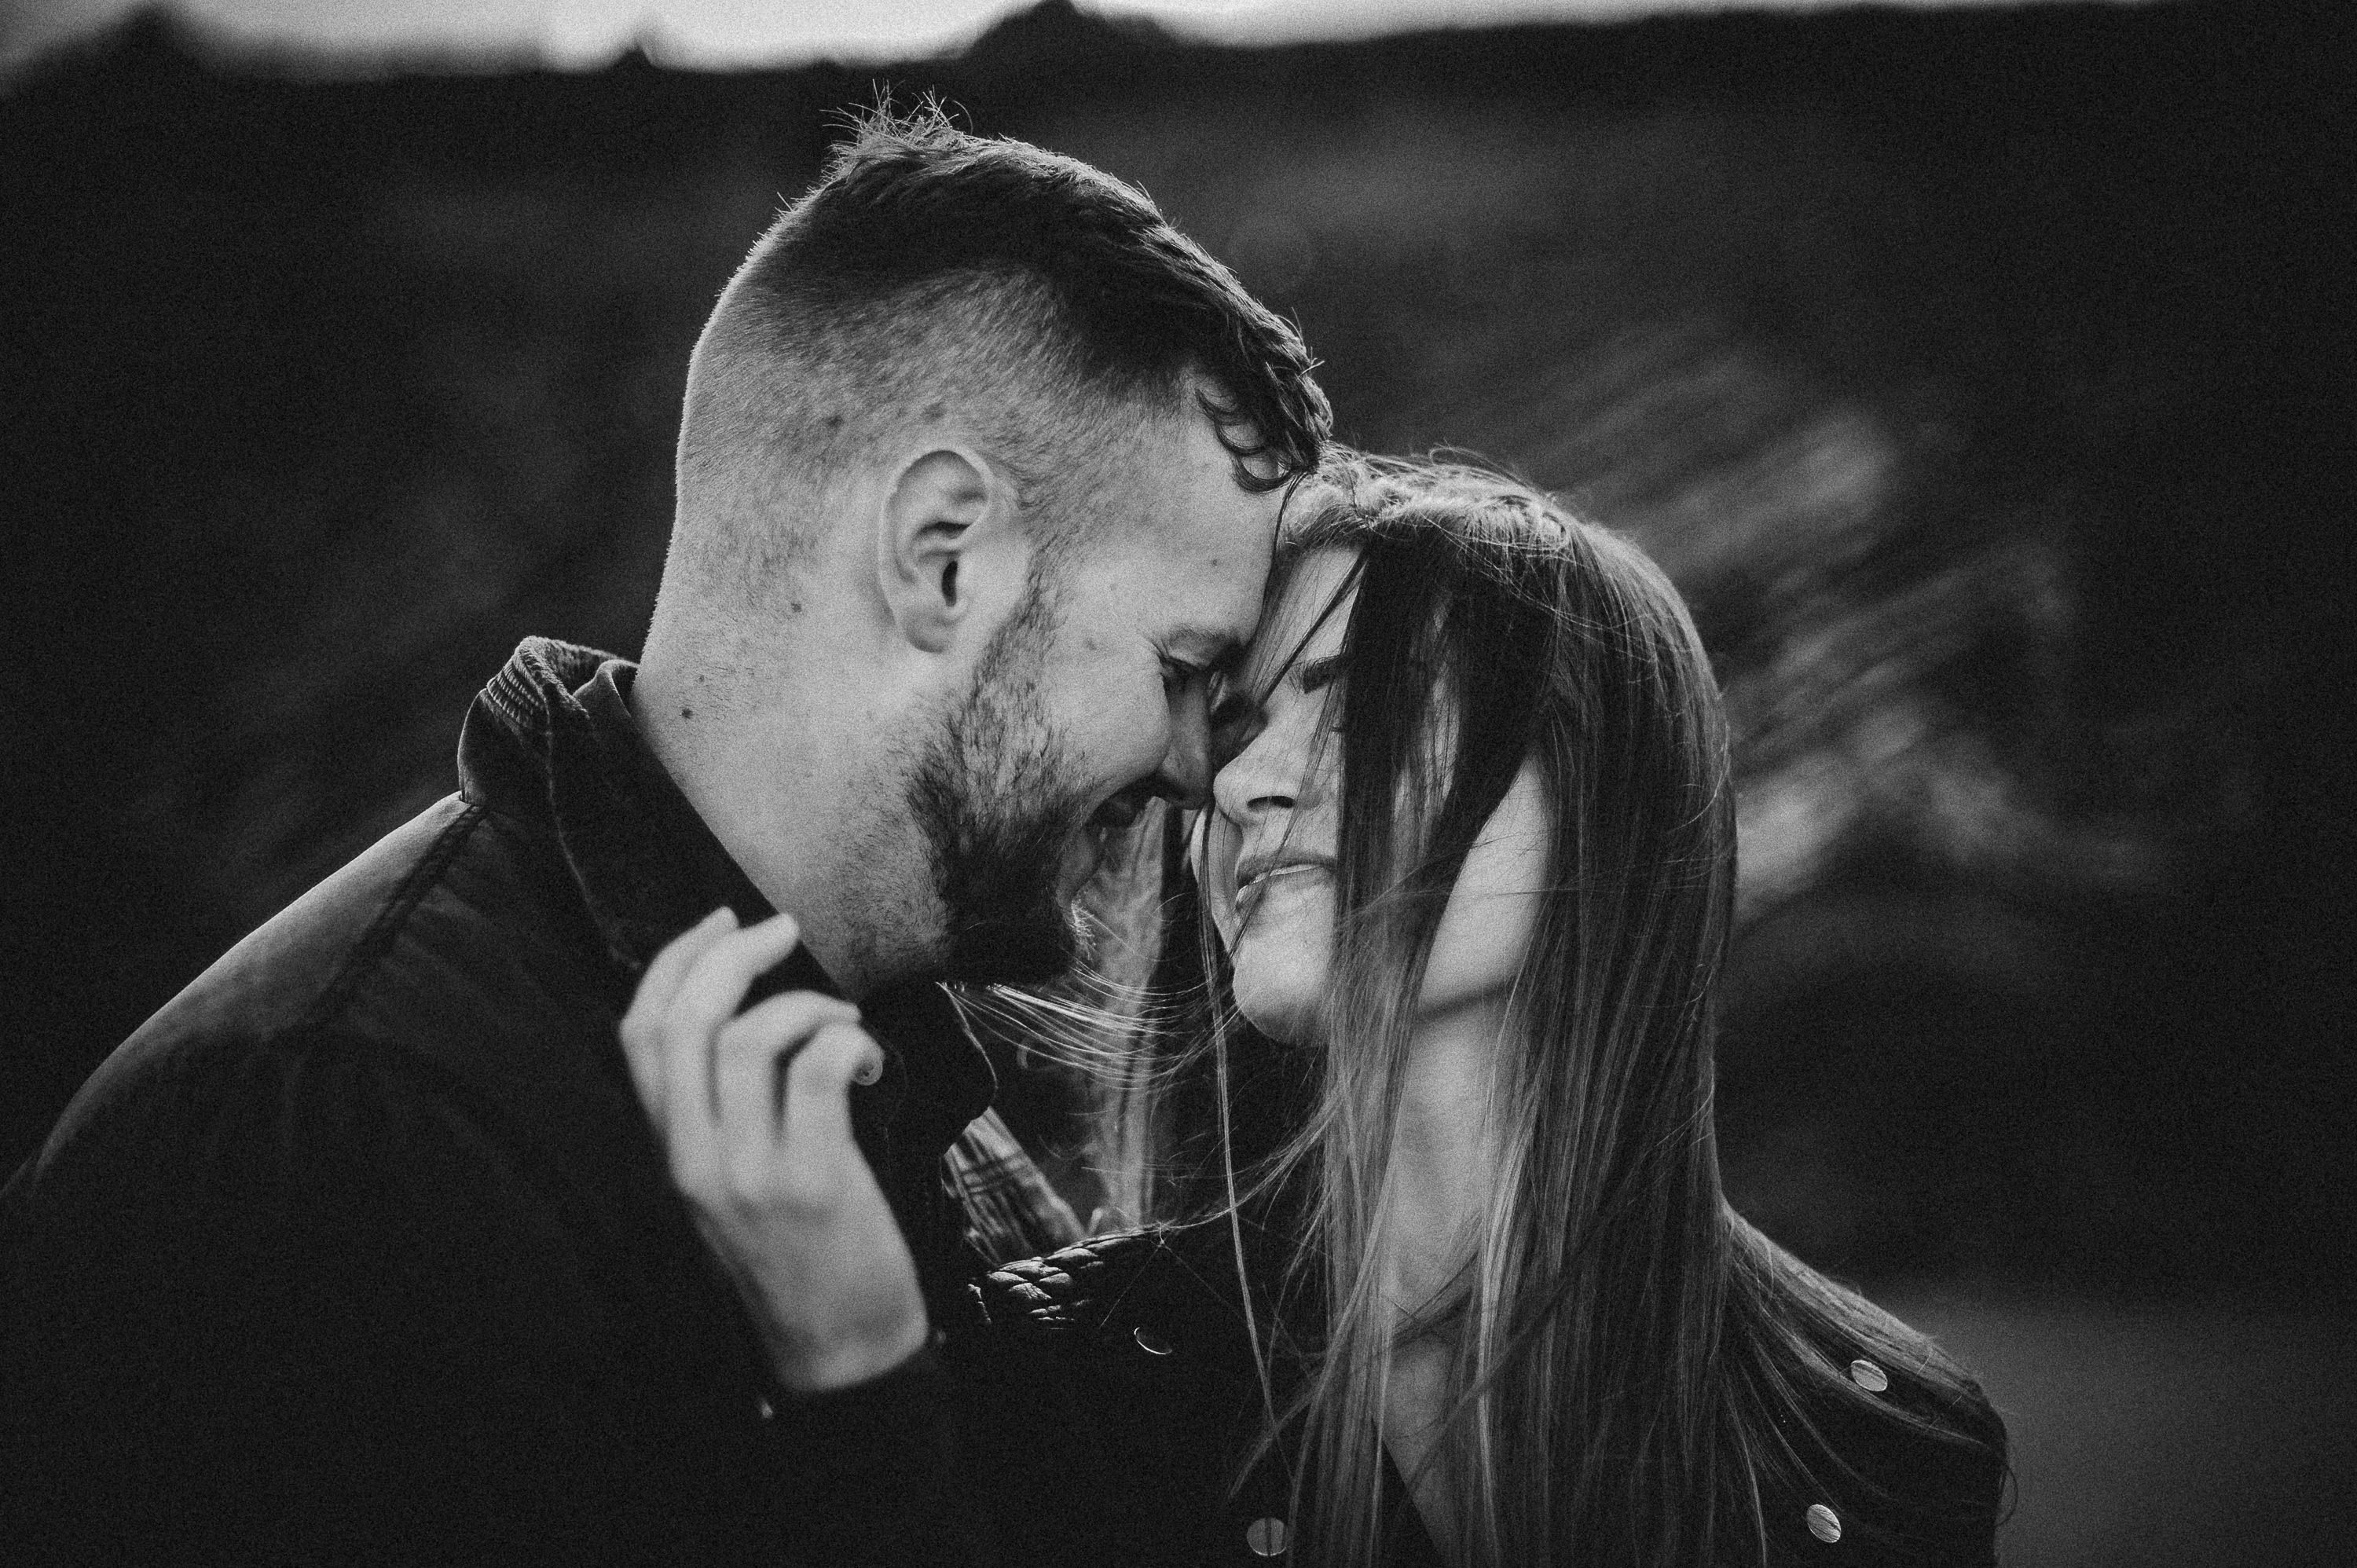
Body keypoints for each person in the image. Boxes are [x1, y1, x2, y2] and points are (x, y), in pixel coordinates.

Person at [0, 107, 1327, 1566]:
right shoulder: (332, 1148)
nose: (1209, 765)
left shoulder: (904, 1088)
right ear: (944, 558)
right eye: (1185, 668)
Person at [629, 456, 2007, 1565]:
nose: (1242, 785)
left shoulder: (1887, 1446)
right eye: (1232, 728)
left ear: (1601, 794)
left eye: (1359, 710)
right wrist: (864, 1394)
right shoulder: (1059, 1400)